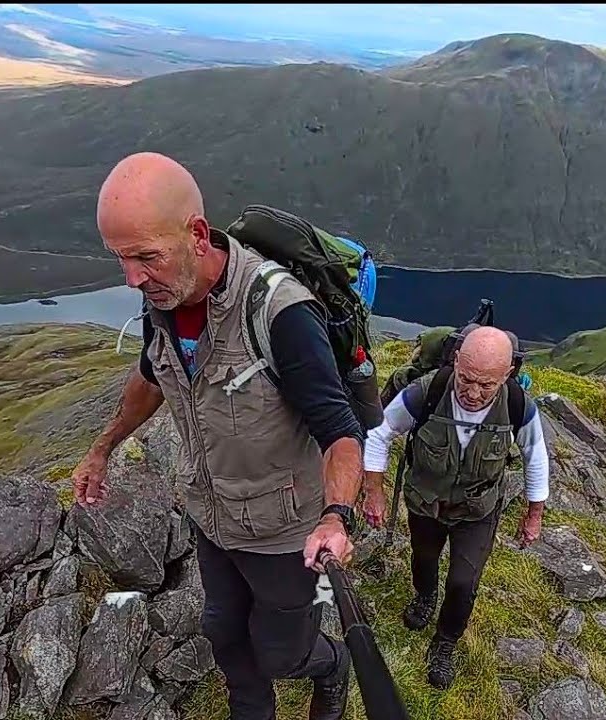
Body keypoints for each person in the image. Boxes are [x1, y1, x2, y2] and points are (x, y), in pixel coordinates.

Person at [70, 151, 364, 720]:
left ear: (198, 236)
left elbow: (340, 432)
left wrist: (336, 517)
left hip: (283, 533)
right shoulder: (165, 295)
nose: (132, 278)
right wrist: (102, 448)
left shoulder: (281, 314)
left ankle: (332, 664)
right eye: (121, 259)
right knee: (224, 634)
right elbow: (152, 375)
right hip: (212, 517)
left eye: (145, 256)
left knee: (281, 654)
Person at [361, 325, 550, 690]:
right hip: (426, 502)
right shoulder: (426, 392)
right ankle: (425, 595)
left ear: (507, 374)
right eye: (466, 379)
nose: (473, 393)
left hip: (478, 510)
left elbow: (535, 455)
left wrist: (534, 515)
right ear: (457, 361)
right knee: (423, 557)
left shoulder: (517, 405)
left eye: (486, 385)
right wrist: (374, 491)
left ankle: (445, 642)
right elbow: (380, 433)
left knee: (464, 582)